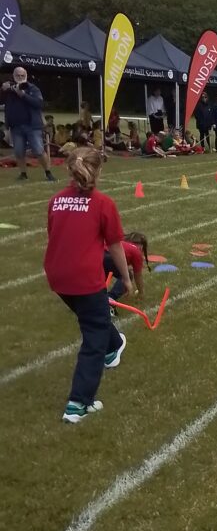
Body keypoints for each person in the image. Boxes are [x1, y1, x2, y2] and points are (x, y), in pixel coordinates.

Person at [44, 147, 131, 422]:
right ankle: (78, 403)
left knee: (93, 317)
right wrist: (126, 278)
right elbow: (116, 246)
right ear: (98, 170)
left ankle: (113, 346)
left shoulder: (56, 200)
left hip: (58, 276)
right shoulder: (103, 204)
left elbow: (54, 234)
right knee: (93, 336)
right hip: (84, 278)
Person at [0, 67, 56, 182]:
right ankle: (23, 173)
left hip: (32, 126)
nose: (20, 78)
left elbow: (39, 104)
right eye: (18, 75)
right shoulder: (9, 89)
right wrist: (3, 89)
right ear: (14, 76)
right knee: (19, 151)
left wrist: (23, 95)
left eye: (22, 75)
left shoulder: (33, 88)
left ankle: (48, 172)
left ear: (26, 76)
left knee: (38, 150)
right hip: (16, 126)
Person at [105, 230, 148, 304]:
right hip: (110, 256)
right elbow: (138, 276)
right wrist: (141, 292)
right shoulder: (136, 251)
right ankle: (111, 297)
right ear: (140, 245)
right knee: (127, 275)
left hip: (97, 255)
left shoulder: (119, 243)